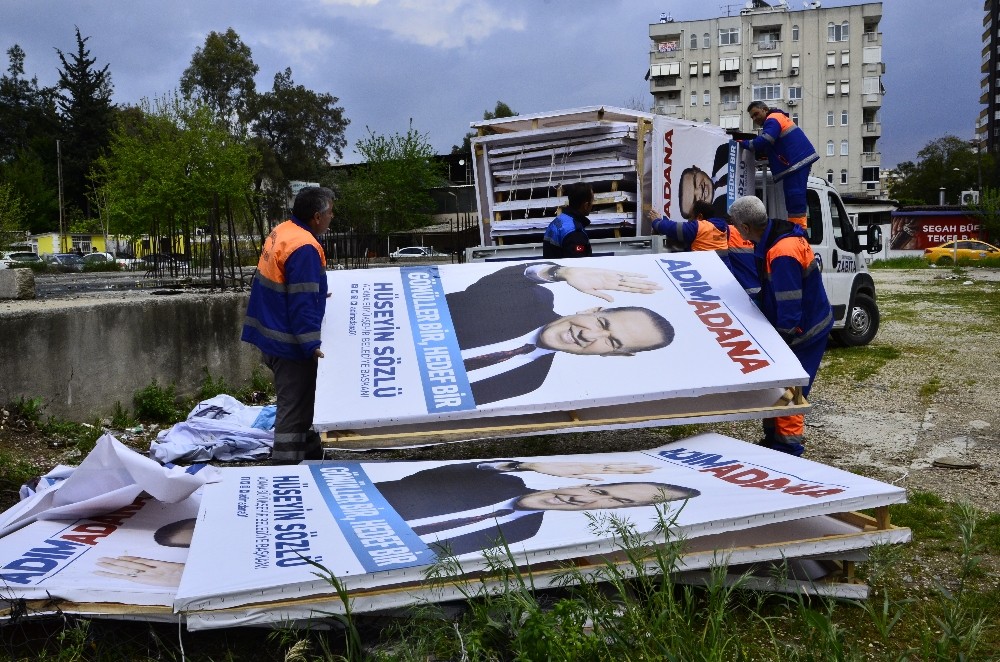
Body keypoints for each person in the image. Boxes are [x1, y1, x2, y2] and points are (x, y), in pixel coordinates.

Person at [446, 262, 674, 405]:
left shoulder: (529, 381)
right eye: (602, 323)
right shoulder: (530, 298)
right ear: (591, 310)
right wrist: (561, 272)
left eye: (612, 342)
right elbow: (507, 281)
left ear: (614, 355)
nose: (590, 336)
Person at [375, 460, 700, 555]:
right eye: (599, 489)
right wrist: (526, 465)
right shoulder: (505, 479)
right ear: (586, 483)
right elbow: (436, 475)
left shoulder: (527, 531)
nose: (586, 498)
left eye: (610, 502)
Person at [728, 195, 833, 456]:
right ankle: (773, 442)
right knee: (777, 388)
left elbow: (789, 304)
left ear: (744, 227)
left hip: (804, 331)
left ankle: (789, 450)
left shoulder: (782, 252)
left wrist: (780, 341)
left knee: (790, 390)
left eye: (735, 226)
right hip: (805, 323)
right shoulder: (777, 238)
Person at [242, 186, 335, 464]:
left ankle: (311, 458)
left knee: (303, 404)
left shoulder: (283, 231)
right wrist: (311, 344)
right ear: (317, 217)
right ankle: (283, 468)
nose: (332, 218)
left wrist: (318, 290)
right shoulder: (305, 247)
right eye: (330, 213)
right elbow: (301, 301)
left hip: (269, 333)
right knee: (293, 409)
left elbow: (291, 284)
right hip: (288, 343)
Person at [648, 200, 760, 301]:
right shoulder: (723, 228)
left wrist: (656, 220)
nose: (688, 221)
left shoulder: (700, 227)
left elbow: (671, 228)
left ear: (700, 217)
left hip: (705, 282)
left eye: (690, 217)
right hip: (723, 281)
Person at [739, 101, 818, 230]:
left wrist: (746, 144)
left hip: (795, 163)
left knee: (794, 198)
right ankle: (797, 230)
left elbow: (767, 139)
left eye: (756, 114)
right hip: (795, 162)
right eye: (752, 117)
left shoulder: (772, 119)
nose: (754, 118)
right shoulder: (776, 118)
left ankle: (798, 231)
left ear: (765, 109)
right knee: (794, 199)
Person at [543, 181, 594, 258]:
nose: (592, 204)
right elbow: (578, 267)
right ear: (586, 205)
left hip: (553, 269)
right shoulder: (575, 233)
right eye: (592, 201)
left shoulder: (558, 220)